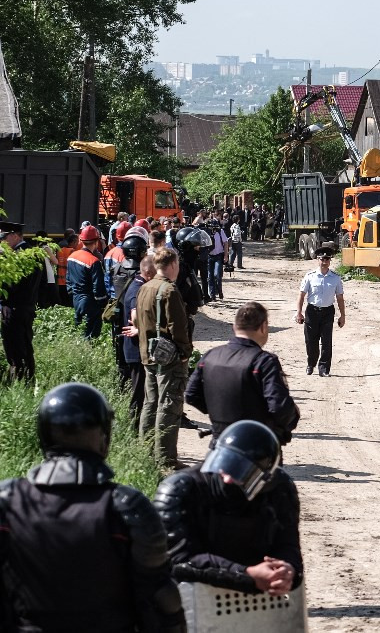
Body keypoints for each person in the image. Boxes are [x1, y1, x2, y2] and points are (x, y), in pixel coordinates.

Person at [0, 383, 186, 631]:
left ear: (44, 434)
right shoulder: (126, 506)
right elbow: (162, 598)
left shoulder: (8, 499)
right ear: (103, 436)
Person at [153, 420, 303, 596]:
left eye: (241, 470)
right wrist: (246, 575)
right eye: (227, 464)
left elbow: (288, 543)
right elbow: (177, 559)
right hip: (192, 600)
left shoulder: (279, 490)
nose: (228, 479)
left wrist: (287, 570)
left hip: (262, 601)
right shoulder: (179, 490)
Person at [187, 301, 299, 446]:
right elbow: (280, 406)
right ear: (264, 327)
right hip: (255, 447)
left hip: (219, 443)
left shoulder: (210, 356)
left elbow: (191, 395)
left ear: (234, 327)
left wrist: (219, 413)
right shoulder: (264, 361)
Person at [136, 247, 193, 468]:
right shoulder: (170, 291)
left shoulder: (145, 287)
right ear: (172, 265)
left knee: (150, 404)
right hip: (168, 358)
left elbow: (139, 321)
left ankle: (145, 453)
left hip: (148, 354)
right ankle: (166, 458)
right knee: (169, 404)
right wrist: (184, 353)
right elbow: (178, 327)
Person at [0, 220, 43, 380]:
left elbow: (12, 285)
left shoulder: (19, 257)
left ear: (15, 236)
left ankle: (22, 382)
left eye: (4, 237)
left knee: (16, 349)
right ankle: (24, 379)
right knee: (21, 347)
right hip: (24, 308)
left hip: (15, 309)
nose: (2, 242)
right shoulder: (31, 253)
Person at [294, 246, 345, 376]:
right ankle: (311, 364)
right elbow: (301, 295)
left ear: (330, 261)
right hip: (312, 312)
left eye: (327, 259)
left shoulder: (335, 278)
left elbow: (340, 298)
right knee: (311, 341)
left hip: (328, 312)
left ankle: (324, 368)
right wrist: (298, 312)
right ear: (318, 259)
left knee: (326, 342)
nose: (324, 261)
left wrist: (342, 316)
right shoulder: (310, 276)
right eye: (322, 259)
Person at [119, 254, 156, 425]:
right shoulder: (137, 289)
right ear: (149, 274)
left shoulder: (136, 283)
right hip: (135, 349)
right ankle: (133, 429)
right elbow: (134, 315)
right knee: (138, 393)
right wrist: (139, 328)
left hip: (134, 347)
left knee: (141, 390)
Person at [66, 224, 107, 338]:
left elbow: (68, 280)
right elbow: (98, 287)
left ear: (81, 240)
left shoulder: (72, 257)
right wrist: (102, 304)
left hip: (76, 299)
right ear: (96, 241)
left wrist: (73, 295)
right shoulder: (94, 261)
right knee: (91, 336)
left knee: (79, 332)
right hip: (89, 302)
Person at [54, 228, 79, 306]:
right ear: (74, 242)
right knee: (70, 303)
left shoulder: (60, 250)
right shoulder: (73, 252)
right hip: (69, 282)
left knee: (63, 302)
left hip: (60, 281)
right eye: (77, 242)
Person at [206, 219, 228, 301]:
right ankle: (212, 295)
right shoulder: (207, 232)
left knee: (217, 275)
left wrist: (226, 255)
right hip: (209, 256)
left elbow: (225, 242)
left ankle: (219, 290)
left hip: (218, 256)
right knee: (210, 276)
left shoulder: (220, 231)